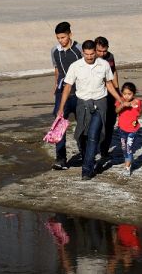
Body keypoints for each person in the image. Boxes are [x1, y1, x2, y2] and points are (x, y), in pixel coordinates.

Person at [57, 40, 122, 180]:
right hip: (83, 104)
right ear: (82, 53)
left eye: (92, 54)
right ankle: (88, 156)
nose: (90, 57)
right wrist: (61, 108)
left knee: (93, 135)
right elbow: (67, 87)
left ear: (95, 52)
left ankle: (86, 169)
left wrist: (119, 98)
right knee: (82, 135)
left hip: (100, 102)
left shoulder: (103, 64)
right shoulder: (75, 66)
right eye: (87, 54)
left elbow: (109, 83)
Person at [50, 21, 83, 170]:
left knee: (82, 124)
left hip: (80, 92)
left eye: (63, 37)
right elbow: (57, 69)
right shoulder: (54, 51)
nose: (61, 40)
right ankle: (61, 158)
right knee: (59, 123)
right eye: (58, 38)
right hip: (62, 93)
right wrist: (56, 86)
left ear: (70, 34)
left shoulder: (79, 49)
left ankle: (85, 152)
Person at [95, 36, 120, 160]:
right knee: (97, 123)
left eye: (104, 51)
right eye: (99, 51)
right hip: (97, 94)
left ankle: (104, 150)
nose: (102, 54)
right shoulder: (91, 59)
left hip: (111, 93)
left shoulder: (110, 57)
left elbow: (114, 72)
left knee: (110, 123)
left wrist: (117, 89)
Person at [115, 82, 142, 176]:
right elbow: (116, 111)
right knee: (124, 148)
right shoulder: (120, 100)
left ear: (133, 94)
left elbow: (138, 113)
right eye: (124, 94)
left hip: (132, 130)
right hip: (122, 129)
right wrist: (122, 105)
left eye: (129, 94)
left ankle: (127, 167)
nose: (126, 96)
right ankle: (128, 160)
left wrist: (133, 105)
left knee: (129, 148)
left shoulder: (137, 102)